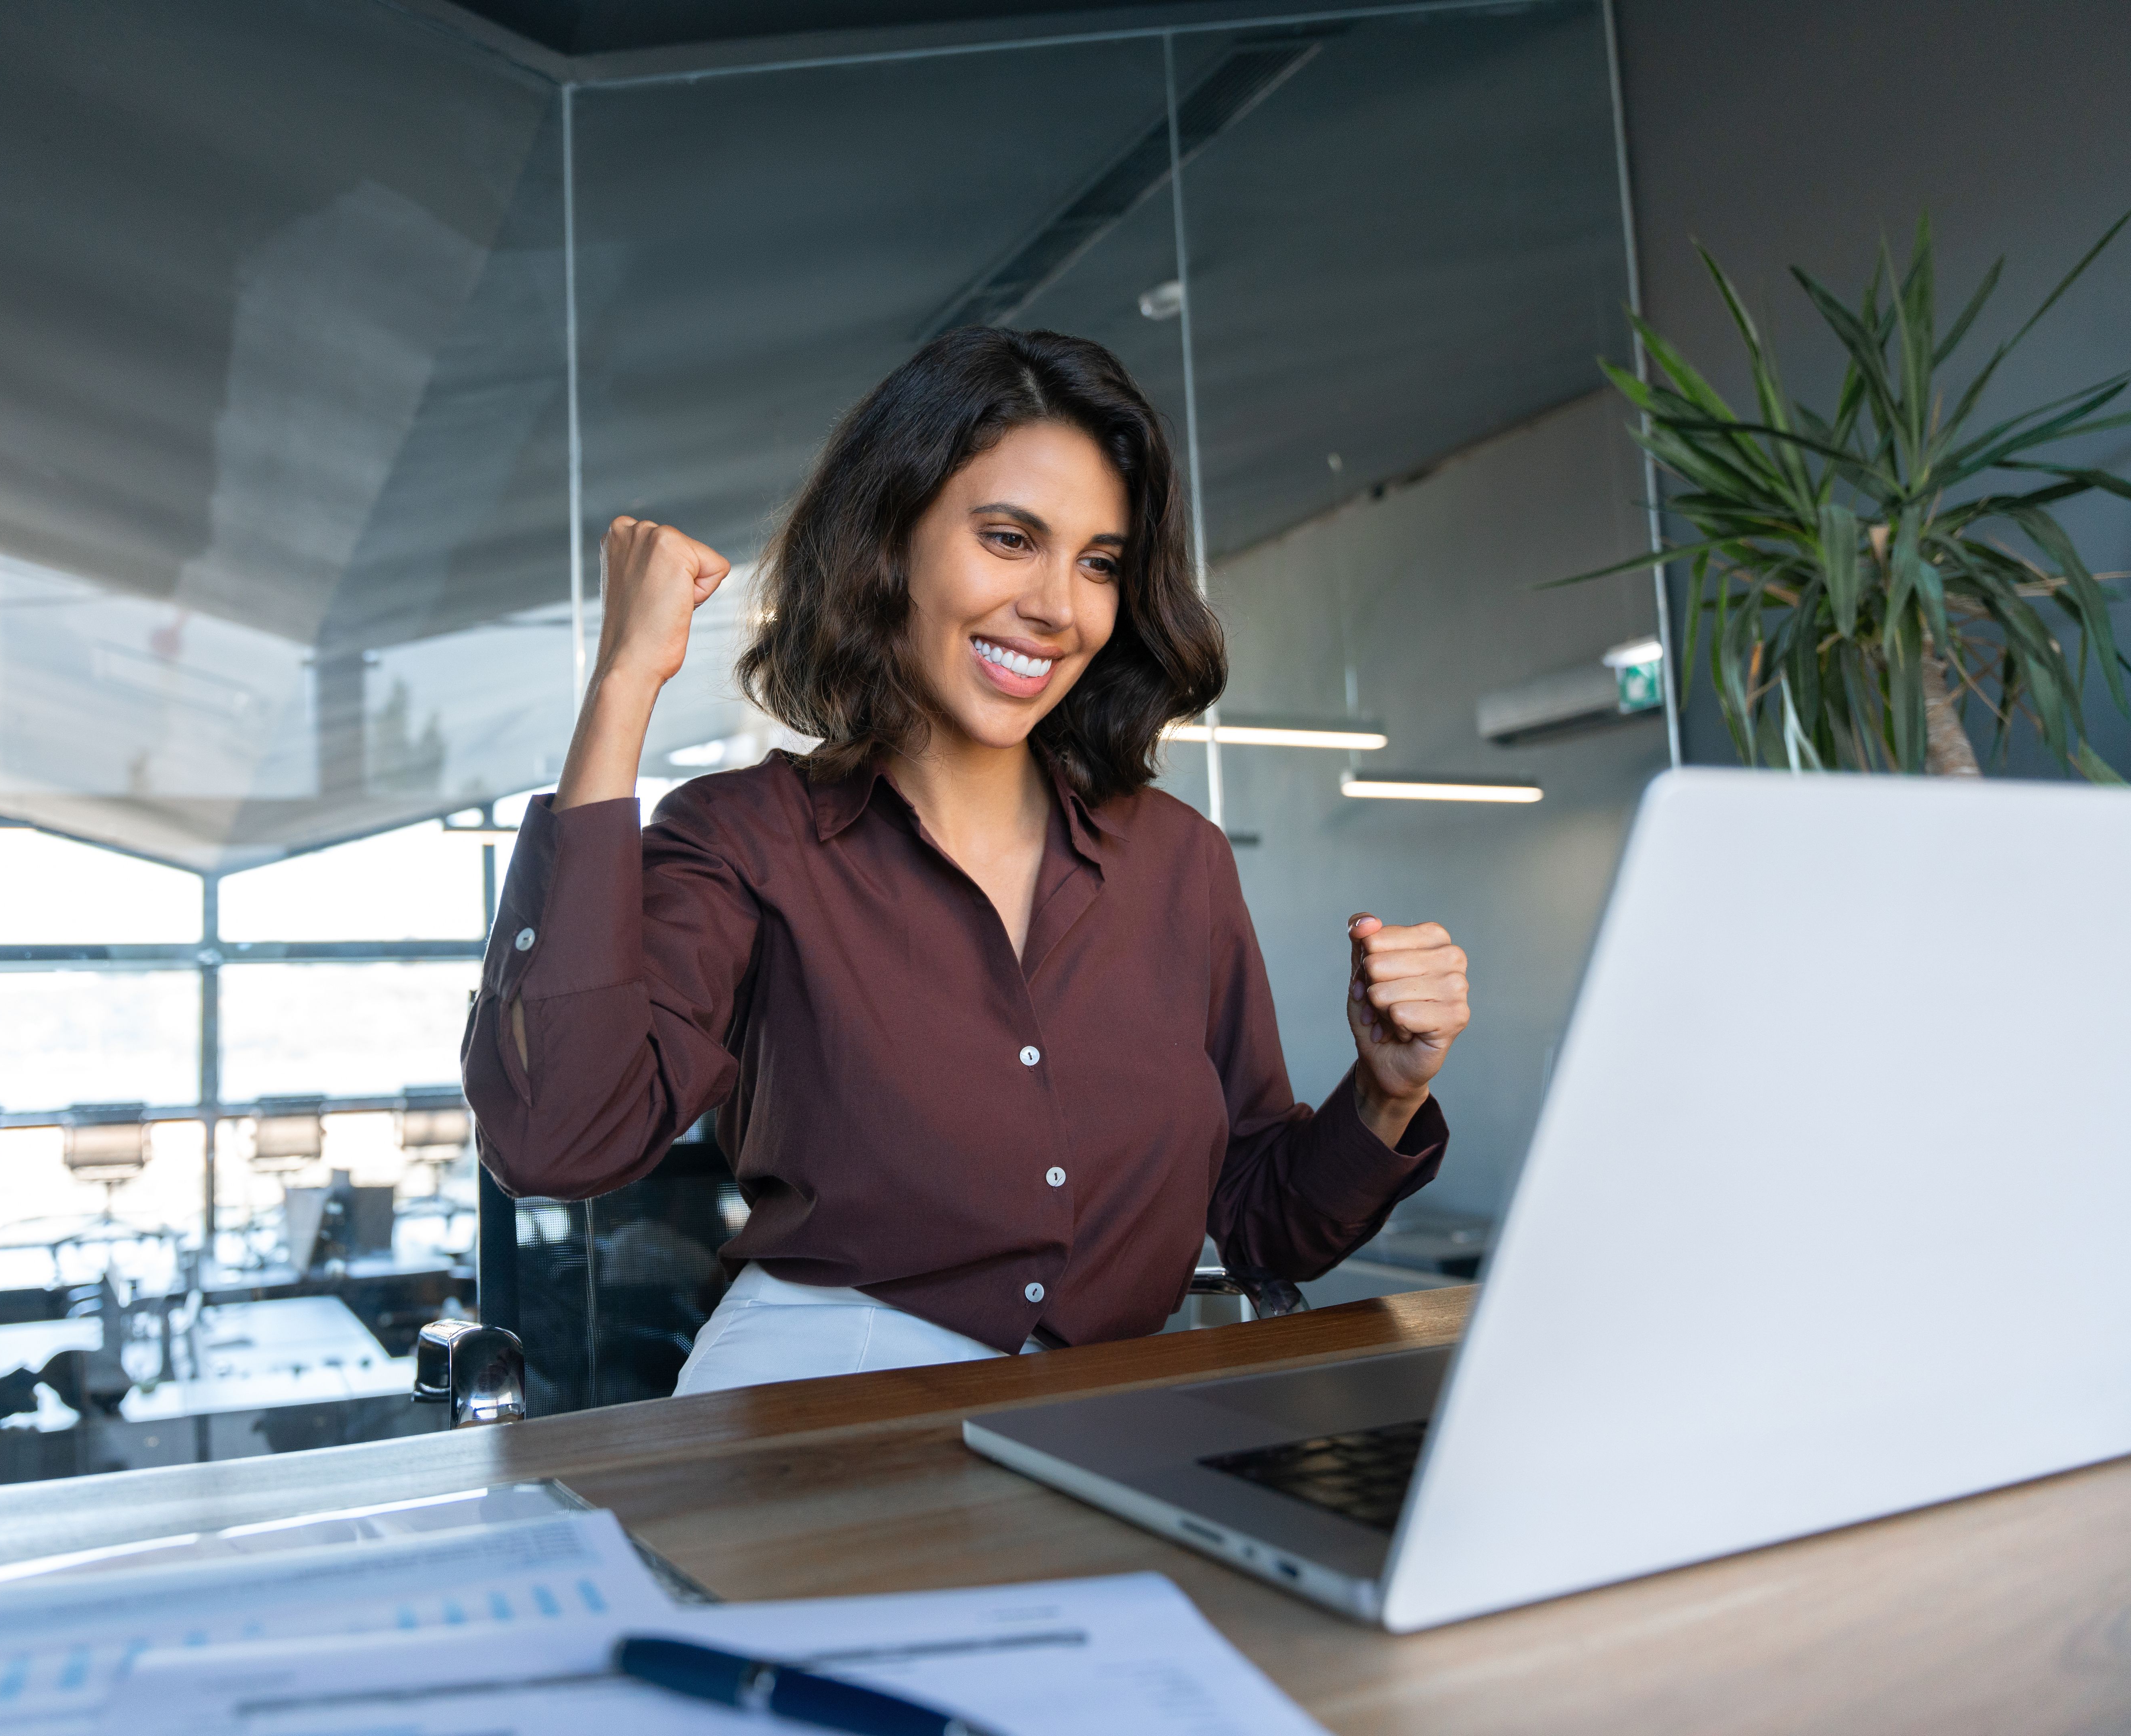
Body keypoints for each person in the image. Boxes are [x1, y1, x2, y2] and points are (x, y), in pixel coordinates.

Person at [462, 327, 1471, 1395]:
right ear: (889, 539)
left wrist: (1386, 1096)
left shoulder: (1180, 863)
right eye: (1009, 539)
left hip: (1101, 1415)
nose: (1057, 606)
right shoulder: (747, 838)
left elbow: (1267, 1221)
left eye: (1098, 564)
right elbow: (557, 1139)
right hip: (822, 1397)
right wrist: (626, 679)